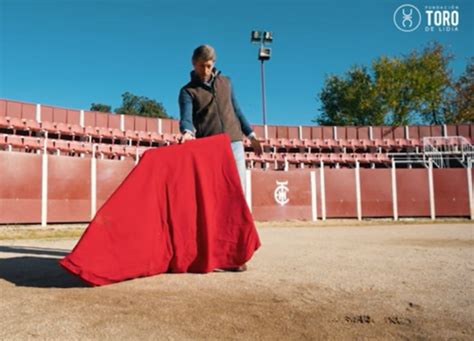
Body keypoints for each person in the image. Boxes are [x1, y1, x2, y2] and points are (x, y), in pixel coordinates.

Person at [177, 44, 263, 195]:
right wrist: (187, 131)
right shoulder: (187, 91)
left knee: (238, 188)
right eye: (201, 66)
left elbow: (236, 110)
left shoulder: (226, 82)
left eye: (208, 66)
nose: (205, 71)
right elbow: (186, 117)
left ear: (214, 64)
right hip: (210, 144)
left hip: (234, 141)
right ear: (193, 63)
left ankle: (239, 219)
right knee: (215, 190)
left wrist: (251, 136)